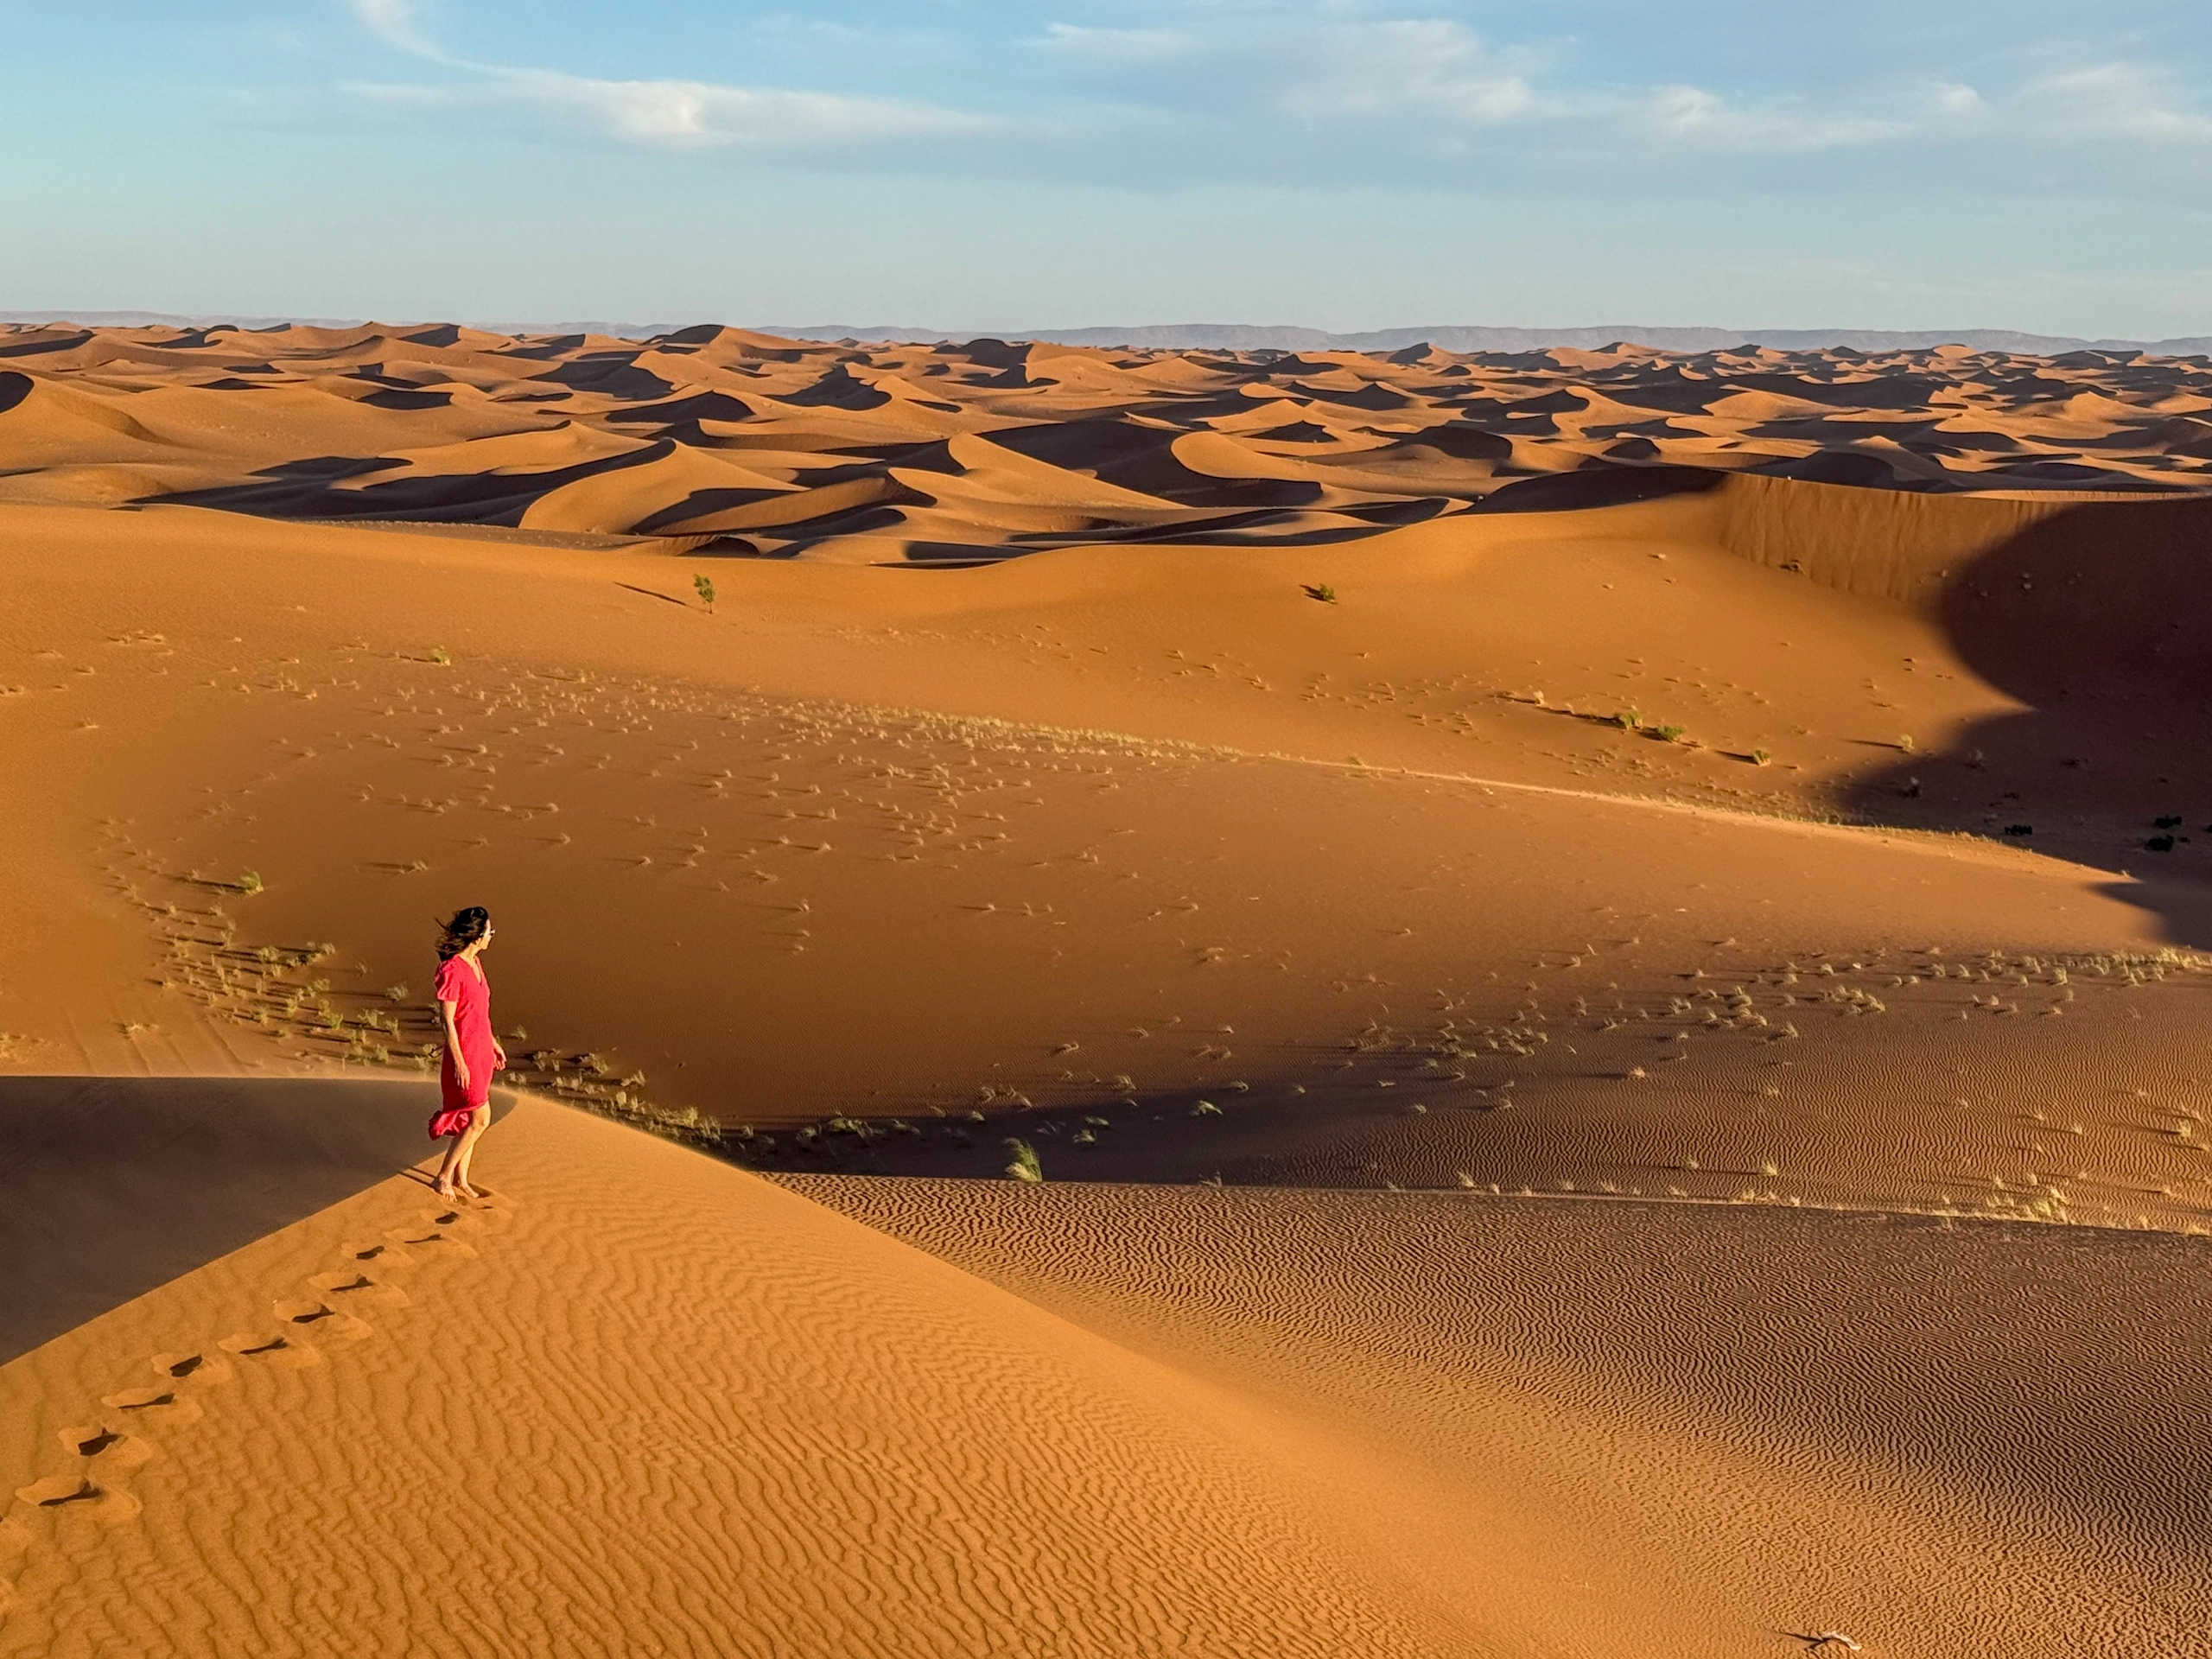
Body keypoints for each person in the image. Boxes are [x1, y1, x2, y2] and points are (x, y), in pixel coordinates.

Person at [428, 906, 505, 1200]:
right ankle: (443, 1176)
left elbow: (479, 1013)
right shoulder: (452, 970)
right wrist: (459, 1062)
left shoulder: (475, 963)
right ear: (476, 936)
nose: (491, 936)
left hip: (481, 1051)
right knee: (481, 1119)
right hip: (465, 1055)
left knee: (472, 1120)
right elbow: (447, 1021)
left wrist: (493, 1042)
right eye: (489, 932)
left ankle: (461, 1179)